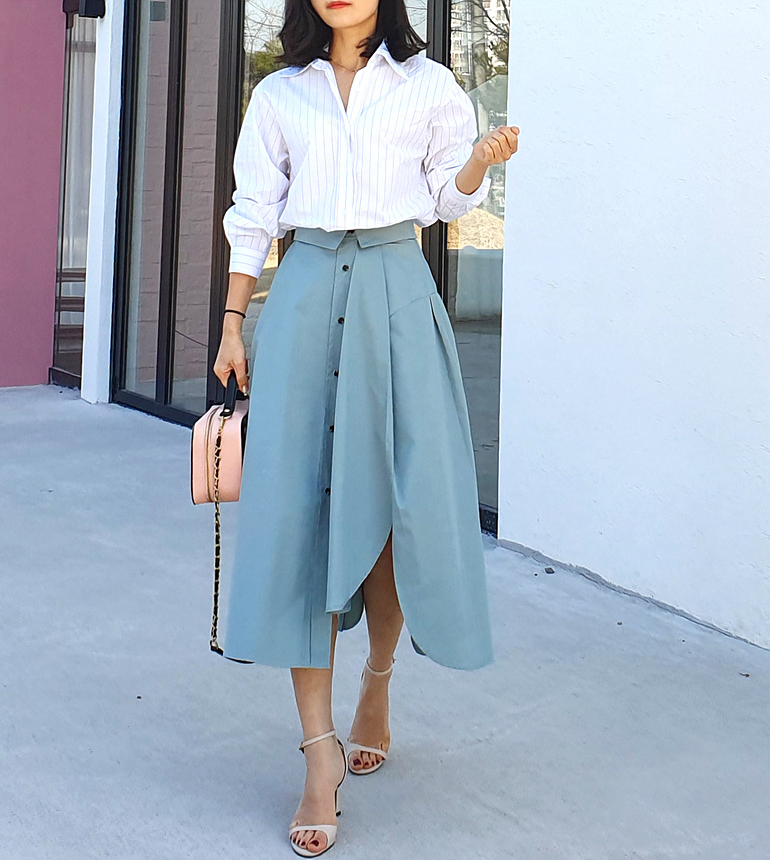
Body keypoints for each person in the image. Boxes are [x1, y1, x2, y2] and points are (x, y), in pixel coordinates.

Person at [213, 0, 519, 855]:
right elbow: (253, 209)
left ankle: (377, 681)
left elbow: (446, 202)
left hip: (396, 293)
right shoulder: (280, 93)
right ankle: (319, 754)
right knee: (299, 524)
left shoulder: (428, 85)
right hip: (305, 294)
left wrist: (478, 163)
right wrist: (234, 322)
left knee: (393, 514)